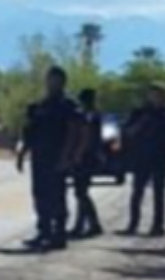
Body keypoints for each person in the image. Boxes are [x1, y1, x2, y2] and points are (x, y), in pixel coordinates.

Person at [17, 67, 82, 250]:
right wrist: (23, 154)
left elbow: (74, 131)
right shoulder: (40, 106)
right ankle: (43, 231)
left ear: (62, 81)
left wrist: (68, 156)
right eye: (49, 79)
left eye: (54, 79)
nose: (51, 83)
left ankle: (59, 233)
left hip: (58, 156)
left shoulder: (68, 104)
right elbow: (30, 132)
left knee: (58, 196)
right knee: (40, 195)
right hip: (39, 157)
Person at [121, 84, 165, 236]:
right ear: (148, 96)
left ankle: (157, 225)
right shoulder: (139, 112)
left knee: (159, 192)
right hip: (141, 156)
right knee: (137, 191)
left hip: (160, 156)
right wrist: (142, 122)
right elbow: (128, 132)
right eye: (153, 94)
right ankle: (133, 224)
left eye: (160, 95)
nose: (157, 98)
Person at [69, 89, 105, 239]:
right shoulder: (95, 114)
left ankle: (91, 224)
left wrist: (77, 154)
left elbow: (87, 136)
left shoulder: (89, 115)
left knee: (81, 192)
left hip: (86, 158)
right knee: (81, 192)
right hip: (91, 156)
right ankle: (84, 224)